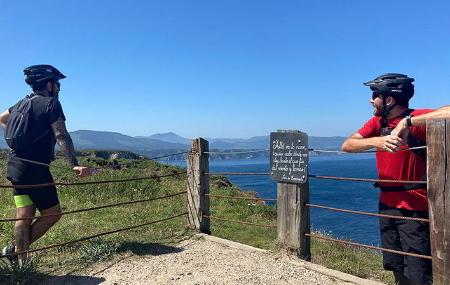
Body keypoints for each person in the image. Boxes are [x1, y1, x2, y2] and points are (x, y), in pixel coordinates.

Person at [341, 73, 450, 285]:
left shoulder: (415, 119)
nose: (371, 100)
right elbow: (347, 145)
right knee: (395, 265)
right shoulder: (377, 122)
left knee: (418, 272)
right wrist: (378, 141)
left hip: (414, 209)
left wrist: (408, 122)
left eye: (375, 95)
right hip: (387, 205)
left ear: (389, 100)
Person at [0, 64, 92, 265]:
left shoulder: (20, 104)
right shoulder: (51, 104)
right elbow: (61, 134)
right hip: (36, 169)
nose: (59, 87)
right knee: (53, 214)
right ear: (49, 85)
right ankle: (15, 251)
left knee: (23, 215)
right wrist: (74, 164)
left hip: (16, 166)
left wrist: (15, 137)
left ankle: (20, 262)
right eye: (57, 83)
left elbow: (2, 119)